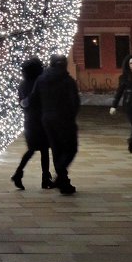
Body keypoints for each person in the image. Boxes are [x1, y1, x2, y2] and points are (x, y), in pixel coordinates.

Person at [23, 54, 80, 195]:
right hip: (64, 120)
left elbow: (32, 98)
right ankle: (61, 172)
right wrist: (71, 116)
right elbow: (75, 102)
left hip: (47, 120)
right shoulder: (68, 80)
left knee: (57, 149)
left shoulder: (42, 79)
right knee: (71, 149)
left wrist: (25, 104)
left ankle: (64, 183)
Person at [11, 56, 53, 190]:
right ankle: (45, 179)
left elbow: (22, 102)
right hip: (40, 120)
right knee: (44, 150)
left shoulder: (23, 84)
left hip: (29, 120)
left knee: (32, 149)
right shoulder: (39, 82)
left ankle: (19, 173)